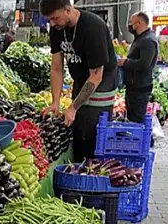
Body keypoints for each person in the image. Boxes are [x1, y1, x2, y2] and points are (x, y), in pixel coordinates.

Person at [40, 0, 117, 162]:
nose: (52, 24)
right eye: (49, 20)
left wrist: (73, 107)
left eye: (55, 18)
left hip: (102, 87)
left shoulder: (93, 27)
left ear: (68, 10)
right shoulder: (57, 29)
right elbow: (56, 68)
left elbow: (96, 75)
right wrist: (55, 102)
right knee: (78, 134)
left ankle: (93, 178)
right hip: (81, 81)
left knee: (91, 136)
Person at [116, 12, 158, 123]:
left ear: (138, 23)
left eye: (131, 22)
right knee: (132, 118)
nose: (129, 26)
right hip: (133, 86)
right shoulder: (140, 38)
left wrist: (125, 62)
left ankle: (146, 140)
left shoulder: (148, 40)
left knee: (137, 120)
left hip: (140, 87)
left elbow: (144, 64)